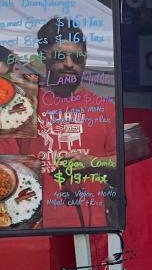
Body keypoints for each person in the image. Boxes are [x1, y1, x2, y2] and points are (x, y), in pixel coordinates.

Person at [0, 19, 119, 229]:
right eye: (60, 56)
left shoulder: (104, 108)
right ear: (43, 55)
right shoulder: (23, 106)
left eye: (77, 56)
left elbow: (120, 165)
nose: (69, 64)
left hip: (93, 227)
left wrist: (92, 162)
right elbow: (6, 171)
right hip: (37, 229)